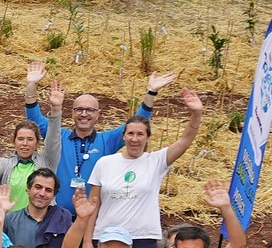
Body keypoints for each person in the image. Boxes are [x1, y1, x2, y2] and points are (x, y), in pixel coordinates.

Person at [23, 61, 174, 211]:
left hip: (93, 217)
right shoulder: (58, 136)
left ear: (98, 115)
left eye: (90, 110)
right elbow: (35, 119)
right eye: (79, 110)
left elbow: (137, 123)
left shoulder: (107, 140)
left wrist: (151, 93)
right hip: (57, 215)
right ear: (72, 113)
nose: (84, 114)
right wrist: (31, 84)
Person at [86, 89, 204, 248]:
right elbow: (92, 206)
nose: (135, 139)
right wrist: (87, 241)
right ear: (123, 136)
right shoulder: (104, 163)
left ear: (147, 137)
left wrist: (196, 113)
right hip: (107, 237)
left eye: (140, 134)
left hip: (142, 240)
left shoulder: (156, 162)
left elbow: (185, 140)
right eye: (130, 134)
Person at [0, 83, 63, 210]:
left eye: (30, 139)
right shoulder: (4, 163)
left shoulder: (47, 160)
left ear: (37, 142)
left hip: (41, 220)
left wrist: (56, 109)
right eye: (20, 139)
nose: (25, 143)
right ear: (14, 141)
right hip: (10, 220)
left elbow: (54, 137)